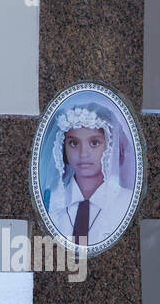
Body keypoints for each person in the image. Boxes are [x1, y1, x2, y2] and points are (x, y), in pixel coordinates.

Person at [43, 102, 132, 247]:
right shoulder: (51, 200)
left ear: (110, 145)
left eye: (94, 143)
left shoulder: (127, 202)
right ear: (62, 147)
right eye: (74, 143)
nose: (83, 154)